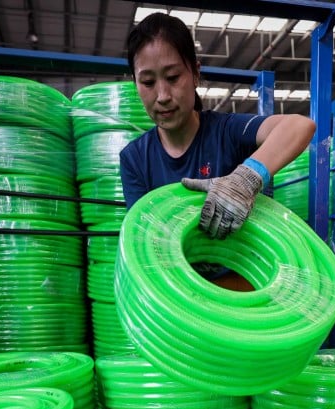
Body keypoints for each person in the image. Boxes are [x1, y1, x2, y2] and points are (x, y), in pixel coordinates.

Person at [120, 12, 316, 244]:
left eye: (173, 77)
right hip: (173, 277)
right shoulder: (134, 159)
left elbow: (300, 125)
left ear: (195, 74)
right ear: (136, 84)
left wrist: (245, 179)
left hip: (239, 273)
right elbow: (143, 239)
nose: (162, 96)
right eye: (148, 82)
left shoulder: (226, 132)